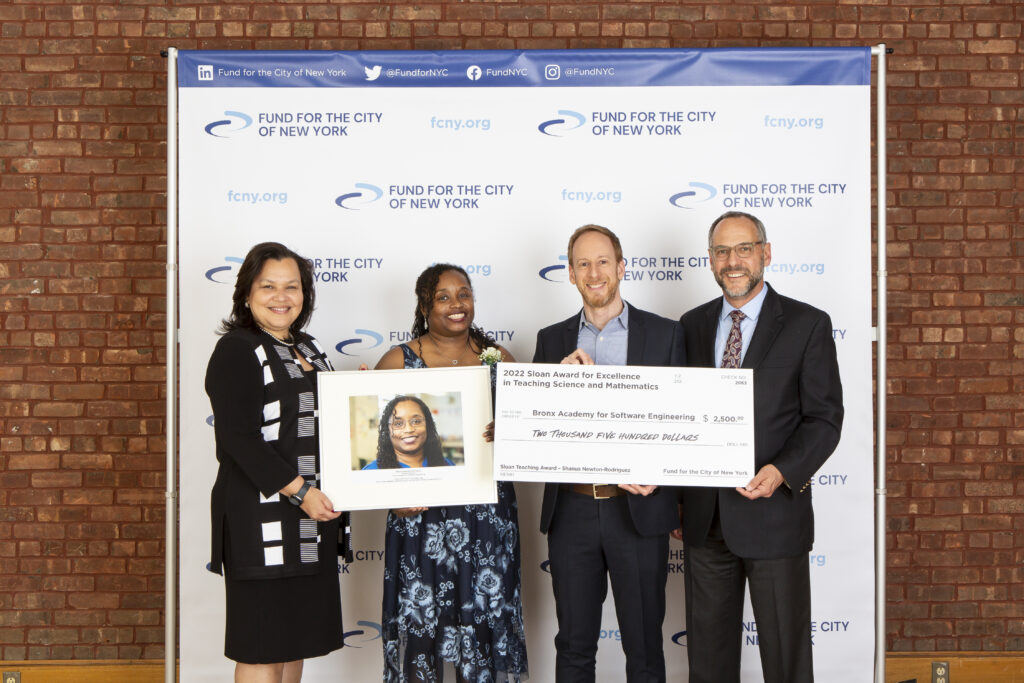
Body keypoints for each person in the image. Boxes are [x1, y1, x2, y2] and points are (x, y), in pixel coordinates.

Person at [677, 211, 843, 683]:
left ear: (766, 254)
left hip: (774, 517)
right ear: (710, 259)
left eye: (744, 249)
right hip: (706, 522)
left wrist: (782, 471)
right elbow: (677, 418)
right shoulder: (690, 325)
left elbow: (825, 418)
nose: (733, 261)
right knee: (708, 665)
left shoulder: (807, 324)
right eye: (722, 251)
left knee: (786, 660)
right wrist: (677, 503)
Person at [533, 225, 684, 683]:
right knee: (574, 645)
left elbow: (682, 419)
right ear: (571, 274)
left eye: (602, 262)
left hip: (637, 509)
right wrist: (552, 384)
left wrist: (662, 476)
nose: (593, 272)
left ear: (621, 267)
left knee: (644, 647)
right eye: (583, 264)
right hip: (572, 511)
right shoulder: (551, 340)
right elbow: (536, 427)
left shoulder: (666, 334)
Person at [372, 264, 528, 683]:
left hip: (487, 519)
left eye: (464, 294)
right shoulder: (397, 361)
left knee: (484, 622)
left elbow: (527, 437)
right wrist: (393, 499)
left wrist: (510, 432)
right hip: (421, 519)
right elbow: (377, 452)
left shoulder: (499, 359)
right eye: (443, 296)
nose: (456, 304)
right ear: (425, 305)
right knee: (424, 627)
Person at [205, 242, 345, 682]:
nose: (281, 296)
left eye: (292, 286)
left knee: (292, 642)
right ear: (247, 293)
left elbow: (317, 417)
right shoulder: (238, 349)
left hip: (310, 522)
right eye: (268, 286)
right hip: (260, 521)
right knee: (262, 646)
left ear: (305, 295)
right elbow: (238, 438)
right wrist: (300, 491)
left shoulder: (308, 346)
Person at [362, 395, 455, 469]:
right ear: (387, 430)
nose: (409, 429)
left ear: (428, 425)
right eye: (398, 424)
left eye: (416, 421)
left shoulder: (447, 465)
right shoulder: (372, 471)